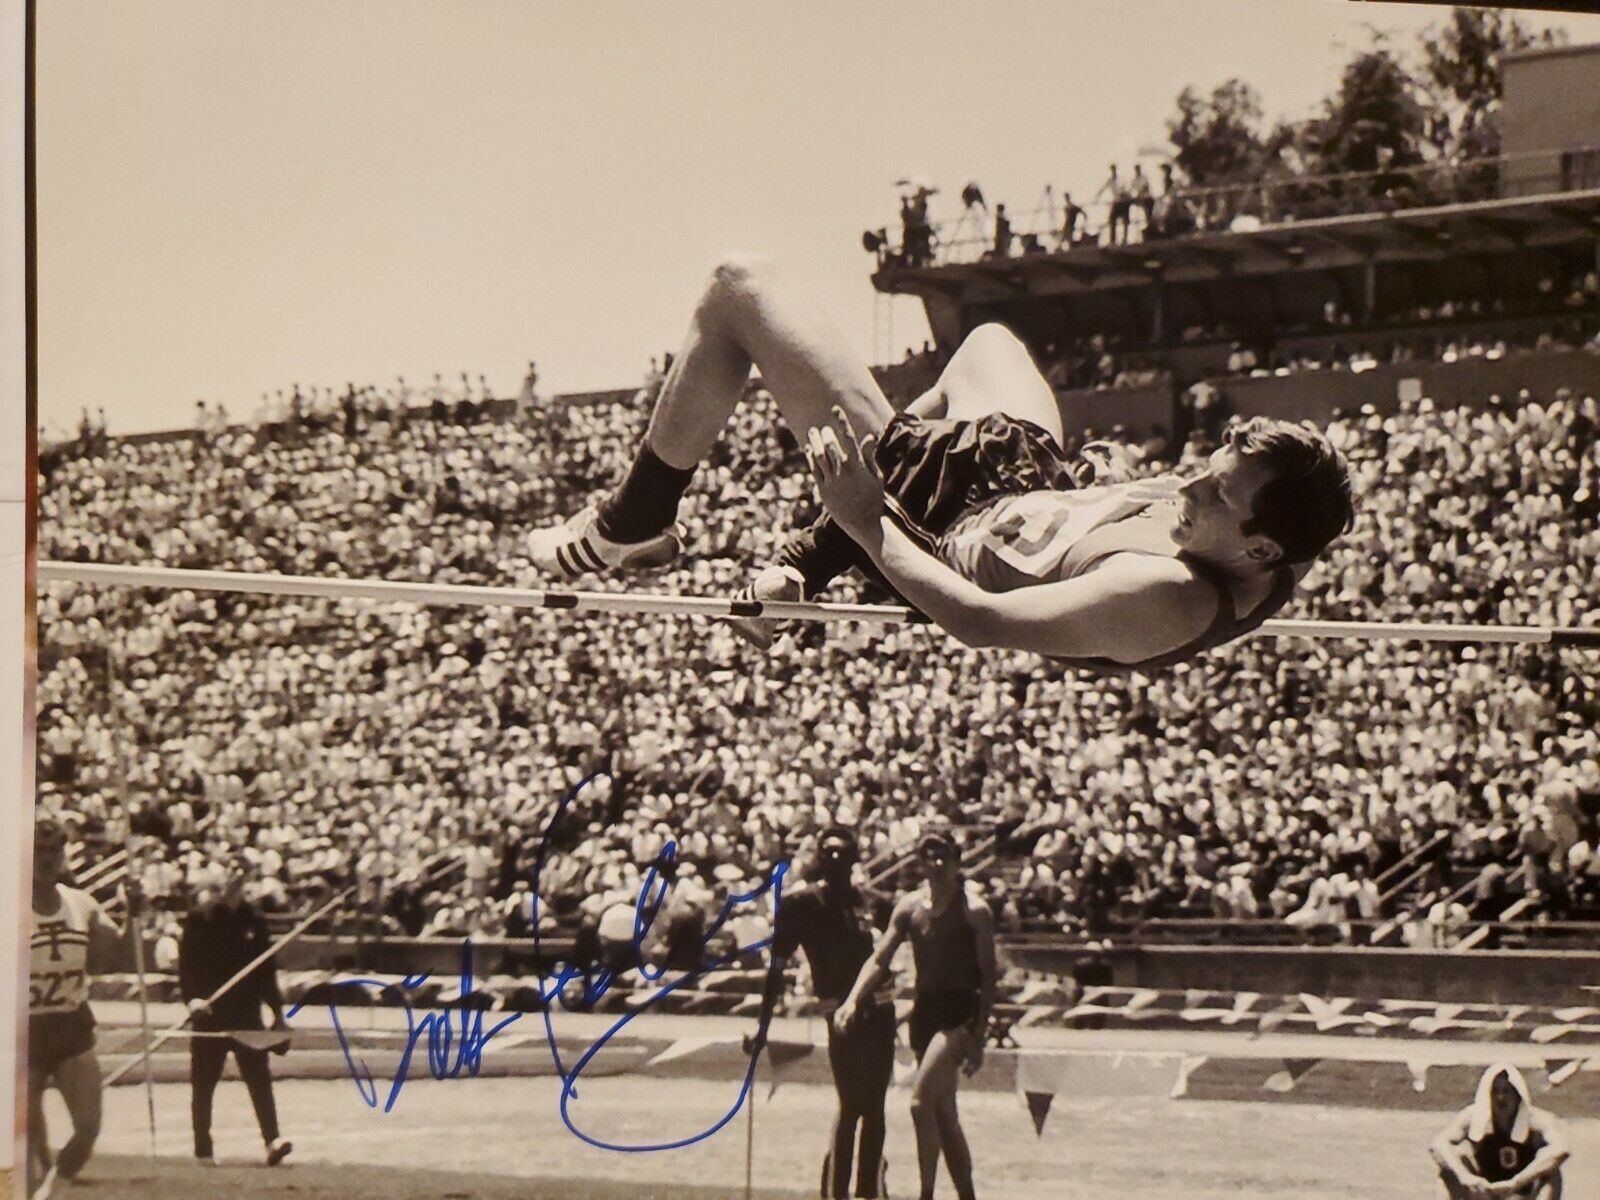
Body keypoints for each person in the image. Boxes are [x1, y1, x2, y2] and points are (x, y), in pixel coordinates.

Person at [527, 257, 1354, 672]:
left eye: (1217, 493)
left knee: (738, 290)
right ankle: (819, 544)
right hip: (1029, 487)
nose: (1191, 479)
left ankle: (632, 521)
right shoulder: (1269, 537)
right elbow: (1310, 505)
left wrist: (855, 523)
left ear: (1258, 549)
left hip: (939, 521)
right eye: (1210, 467)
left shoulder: (1167, 596)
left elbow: (981, 624)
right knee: (989, 343)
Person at [834, 825, 995, 1200]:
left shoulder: (974, 911)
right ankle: (967, 1194)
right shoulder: (908, 907)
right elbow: (880, 957)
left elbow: (988, 979)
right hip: (925, 1012)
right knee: (944, 1114)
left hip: (959, 1012)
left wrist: (979, 1037)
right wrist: (854, 998)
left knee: (920, 1103)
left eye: (943, 856)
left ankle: (925, 1193)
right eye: (928, 855)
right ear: (919, 860)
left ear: (956, 860)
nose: (936, 863)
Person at [756, 825, 896, 1200]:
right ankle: (836, 1192)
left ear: (855, 858)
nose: (835, 859)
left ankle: (868, 1188)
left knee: (876, 1107)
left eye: (843, 852)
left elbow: (896, 947)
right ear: (818, 856)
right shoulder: (801, 905)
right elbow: (777, 966)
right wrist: (763, 1023)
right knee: (851, 1104)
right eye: (828, 852)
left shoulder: (873, 902)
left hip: (880, 1010)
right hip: (839, 1013)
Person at [27, 818, 132, 1199]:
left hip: (70, 1026)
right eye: (39, 850)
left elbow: (117, 954)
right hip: (21, 1032)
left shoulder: (81, 903)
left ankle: (54, 1189)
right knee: (24, 1137)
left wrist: (132, 913)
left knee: (88, 1127)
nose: (47, 858)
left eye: (54, 850)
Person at [178, 853, 293, 1166]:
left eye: (244, 872)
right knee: (203, 1083)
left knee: (259, 1078)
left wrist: (279, 1015)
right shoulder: (200, 918)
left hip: (246, 1013)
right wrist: (193, 1000)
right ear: (220, 877)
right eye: (232, 870)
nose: (237, 877)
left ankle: (272, 1140)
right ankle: (203, 1148)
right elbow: (186, 967)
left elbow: (265, 971)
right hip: (209, 1013)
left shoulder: (254, 920)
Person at [1430, 1064, 1567, 1199]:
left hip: (1522, 1193)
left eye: (1506, 1091)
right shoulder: (1473, 1117)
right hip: (1484, 1192)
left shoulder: (1537, 1119)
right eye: (1495, 1092)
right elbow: (1438, 1145)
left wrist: (1516, 1183)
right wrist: (1464, 1176)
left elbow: (1561, 1149)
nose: (1500, 1098)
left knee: (1552, 1169)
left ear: (1517, 1094)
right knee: (1451, 1164)